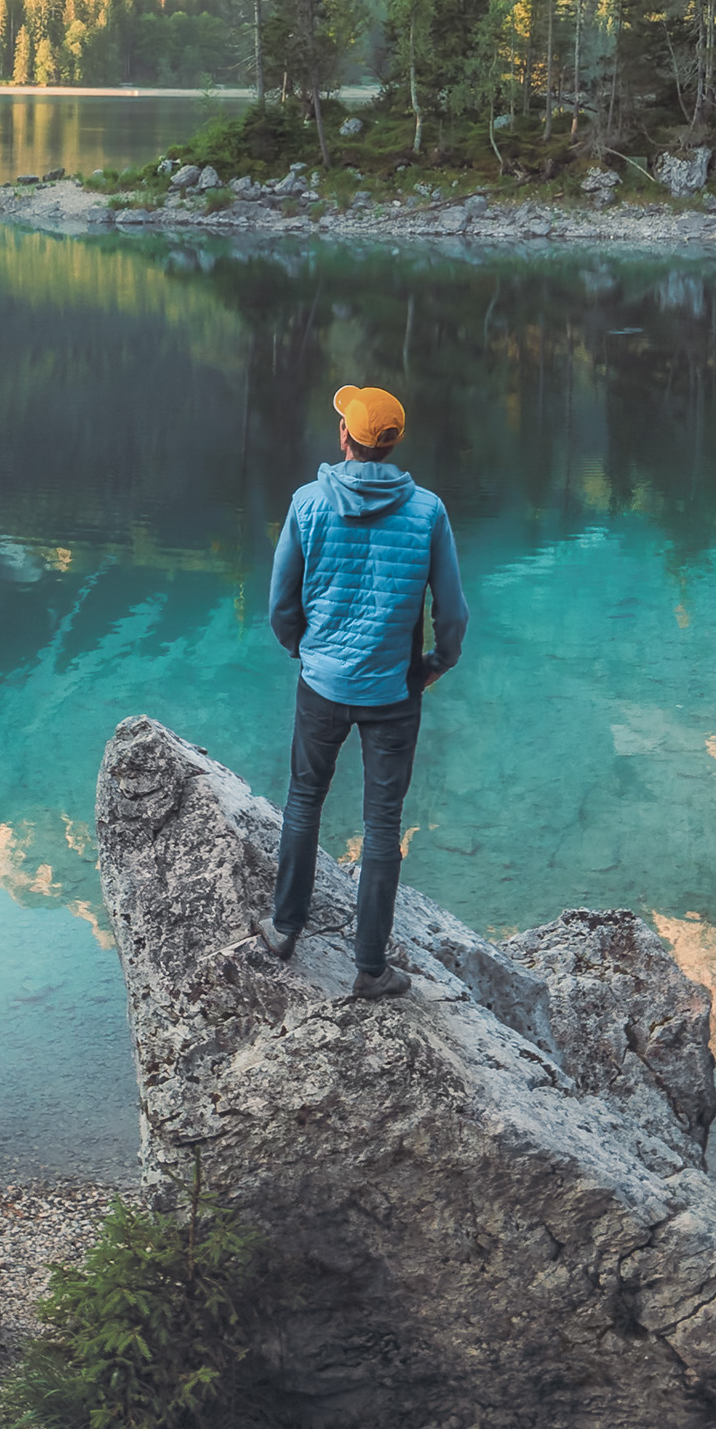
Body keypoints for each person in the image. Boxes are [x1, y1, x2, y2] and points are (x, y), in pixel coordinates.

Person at [262, 382, 468, 999]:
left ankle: (284, 928)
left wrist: (303, 649)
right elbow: (452, 609)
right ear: (392, 444)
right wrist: (436, 663)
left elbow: (281, 602)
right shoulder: (427, 511)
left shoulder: (307, 502)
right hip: (394, 691)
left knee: (304, 801)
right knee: (382, 826)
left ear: (345, 436)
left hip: (322, 683)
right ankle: (371, 968)